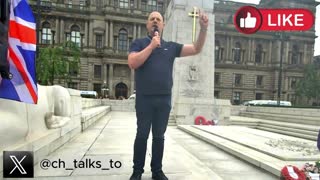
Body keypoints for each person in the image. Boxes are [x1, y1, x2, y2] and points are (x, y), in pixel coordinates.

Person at [128, 10, 208, 180]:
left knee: (159, 136)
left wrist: (203, 29)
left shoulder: (171, 47)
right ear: (147, 24)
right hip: (144, 98)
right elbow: (132, 62)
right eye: (152, 19)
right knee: (142, 135)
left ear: (163, 25)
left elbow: (195, 48)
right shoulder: (139, 43)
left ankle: (157, 171)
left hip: (163, 99)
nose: (155, 21)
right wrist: (151, 46)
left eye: (158, 19)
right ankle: (137, 171)